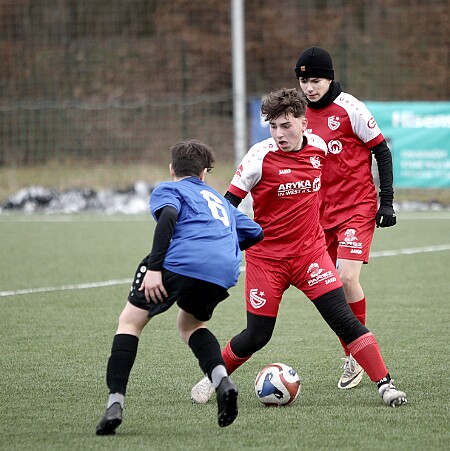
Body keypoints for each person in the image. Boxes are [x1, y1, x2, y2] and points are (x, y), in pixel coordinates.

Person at [190, 88, 407, 408]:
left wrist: (371, 202)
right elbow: (227, 206)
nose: (279, 134)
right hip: (268, 260)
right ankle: (212, 378)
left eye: (286, 125)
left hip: (311, 256)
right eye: (273, 126)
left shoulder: (319, 148)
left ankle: (385, 386)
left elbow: (356, 165)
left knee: (345, 322)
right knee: (257, 335)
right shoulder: (257, 157)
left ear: (305, 124)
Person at [95, 140, 264, 435]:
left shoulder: (169, 189)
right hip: (223, 269)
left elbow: (169, 217)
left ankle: (115, 403)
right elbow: (254, 231)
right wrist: (220, 247)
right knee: (190, 326)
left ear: (172, 169)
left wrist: (155, 268)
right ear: (204, 174)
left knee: (130, 323)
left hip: (182, 261)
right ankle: (222, 379)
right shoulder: (219, 200)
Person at [294, 46, 397, 389]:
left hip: (357, 207)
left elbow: (382, 152)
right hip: (320, 213)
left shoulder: (351, 108)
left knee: (346, 278)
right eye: (304, 81)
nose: (310, 87)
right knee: (329, 287)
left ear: (330, 78)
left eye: (316, 80)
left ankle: (352, 356)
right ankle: (352, 353)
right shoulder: (299, 115)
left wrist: (387, 202)